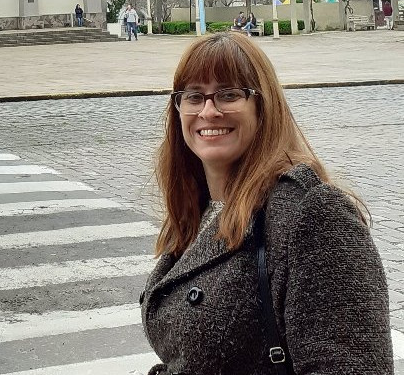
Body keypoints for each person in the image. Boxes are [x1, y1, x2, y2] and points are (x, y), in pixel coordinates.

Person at [140, 32, 393, 375]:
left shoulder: (313, 214)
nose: (209, 111)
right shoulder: (197, 211)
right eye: (194, 96)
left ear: (263, 105)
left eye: (229, 94)